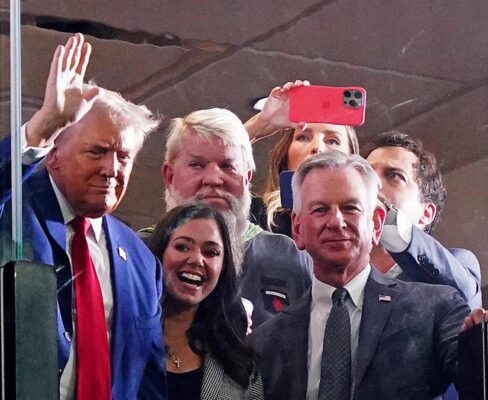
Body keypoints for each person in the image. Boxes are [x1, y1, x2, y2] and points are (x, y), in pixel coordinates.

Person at [0, 34, 166, 399]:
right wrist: (43, 125)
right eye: (96, 152)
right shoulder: (9, 216)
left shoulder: (141, 261)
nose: (111, 169)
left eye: (124, 157)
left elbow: (148, 381)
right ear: (53, 155)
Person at [250, 151, 477, 400]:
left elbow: (478, 380)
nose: (336, 221)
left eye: (350, 208)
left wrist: (480, 340)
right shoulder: (264, 343)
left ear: (376, 224)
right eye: (320, 210)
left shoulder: (433, 308)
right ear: (297, 228)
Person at [142, 107, 312, 327]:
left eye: (227, 166)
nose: (213, 179)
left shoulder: (286, 256)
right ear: (170, 176)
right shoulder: (139, 253)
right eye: (197, 165)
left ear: (247, 179)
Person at [149, 203, 263, 399]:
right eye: (182, 247)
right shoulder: (120, 342)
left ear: (223, 267)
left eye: (211, 253)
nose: (196, 260)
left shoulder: (241, 365)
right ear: (160, 253)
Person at [366, 131, 481, 308]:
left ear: (426, 213)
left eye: (394, 175)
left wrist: (389, 219)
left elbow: (463, 299)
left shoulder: (458, 262)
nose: (373, 183)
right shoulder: (331, 268)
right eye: (366, 175)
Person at [244, 81, 359, 236]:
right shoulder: (253, 216)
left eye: (332, 141)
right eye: (303, 137)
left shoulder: (365, 221)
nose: (317, 147)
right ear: (285, 156)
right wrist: (260, 125)